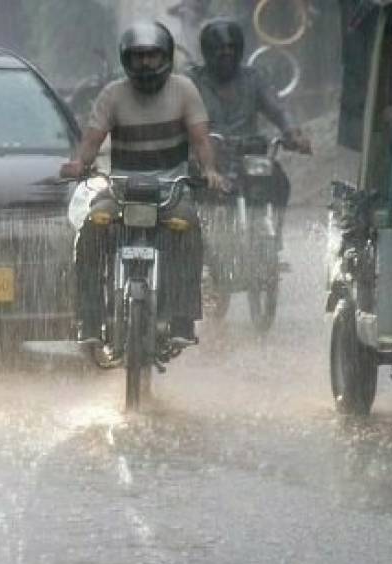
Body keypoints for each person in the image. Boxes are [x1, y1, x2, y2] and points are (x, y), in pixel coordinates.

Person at [60, 22, 224, 345]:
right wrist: (80, 163)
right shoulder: (112, 94)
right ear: (126, 60)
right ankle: (90, 320)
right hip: (120, 190)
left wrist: (210, 170)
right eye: (138, 57)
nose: (146, 64)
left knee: (189, 229)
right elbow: (92, 141)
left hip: (172, 191)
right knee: (92, 228)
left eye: (152, 56)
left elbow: (201, 139)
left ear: (166, 56)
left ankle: (181, 320)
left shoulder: (185, 90)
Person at [187, 18, 309, 249]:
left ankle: (274, 233)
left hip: (250, 155)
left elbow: (278, 109)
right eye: (220, 49)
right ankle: (197, 246)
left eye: (232, 48)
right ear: (207, 51)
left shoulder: (253, 78)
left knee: (279, 181)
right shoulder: (192, 81)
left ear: (240, 49)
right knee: (189, 194)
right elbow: (178, 113)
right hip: (209, 157)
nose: (226, 54)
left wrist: (293, 133)